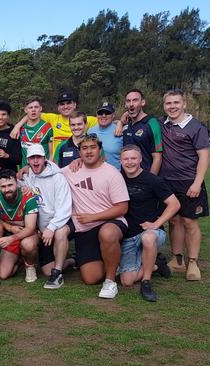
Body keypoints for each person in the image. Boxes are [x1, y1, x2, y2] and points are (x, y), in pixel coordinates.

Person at [61, 135, 129, 299]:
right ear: (79, 152)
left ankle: (110, 282)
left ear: (99, 150)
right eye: (84, 148)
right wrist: (25, 169)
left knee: (107, 234)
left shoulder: (111, 173)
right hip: (84, 229)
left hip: (110, 222)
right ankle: (116, 260)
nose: (89, 151)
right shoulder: (70, 170)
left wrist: (94, 217)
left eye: (92, 147)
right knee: (91, 278)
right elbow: (45, 170)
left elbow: (122, 208)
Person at [159, 89, 209, 280]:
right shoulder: (162, 124)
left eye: (176, 103)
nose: (172, 107)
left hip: (189, 181)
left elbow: (204, 156)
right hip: (167, 182)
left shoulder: (196, 127)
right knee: (174, 220)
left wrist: (197, 183)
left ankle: (193, 262)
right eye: (168, 103)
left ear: (184, 104)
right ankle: (177, 259)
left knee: (189, 221)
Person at [119, 145, 179, 301]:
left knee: (148, 238)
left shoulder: (153, 180)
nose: (130, 162)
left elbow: (174, 204)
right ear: (120, 161)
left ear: (140, 159)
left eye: (133, 158)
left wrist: (156, 224)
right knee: (126, 281)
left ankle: (146, 282)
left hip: (151, 231)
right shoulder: (117, 178)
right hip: (129, 235)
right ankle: (156, 265)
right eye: (126, 159)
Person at [22, 144, 73, 289]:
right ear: (28, 161)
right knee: (45, 270)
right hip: (42, 229)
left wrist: (51, 227)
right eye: (32, 158)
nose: (36, 161)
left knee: (60, 232)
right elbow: (14, 186)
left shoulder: (58, 178)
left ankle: (57, 274)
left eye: (38, 157)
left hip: (59, 223)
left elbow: (64, 208)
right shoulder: (28, 176)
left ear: (45, 159)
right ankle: (70, 261)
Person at [11, 92, 97, 159]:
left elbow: (105, 121)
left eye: (68, 103)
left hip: (79, 158)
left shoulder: (86, 119)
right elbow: (32, 114)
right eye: (62, 104)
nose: (65, 106)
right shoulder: (53, 118)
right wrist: (17, 126)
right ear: (58, 107)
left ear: (75, 105)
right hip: (58, 160)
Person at [0, 169, 40, 283]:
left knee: (27, 245)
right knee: (3, 274)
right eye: (3, 186)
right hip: (10, 236)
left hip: (29, 235)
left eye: (10, 185)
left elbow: (30, 228)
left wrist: (11, 238)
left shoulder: (28, 198)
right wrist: (9, 228)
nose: (7, 189)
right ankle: (21, 258)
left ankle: (30, 266)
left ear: (17, 183)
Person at [121, 89, 163, 175]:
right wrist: (120, 123)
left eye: (135, 100)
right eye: (128, 101)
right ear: (125, 104)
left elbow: (157, 157)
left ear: (142, 102)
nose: (131, 104)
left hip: (145, 178)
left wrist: (150, 181)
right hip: (126, 178)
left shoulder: (152, 123)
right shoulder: (126, 125)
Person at [0, 101, 22, 177]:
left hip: (9, 176)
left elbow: (19, 159)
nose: (0, 117)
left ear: (8, 116)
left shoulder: (15, 132)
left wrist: (6, 155)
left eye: (4, 114)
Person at [87, 102, 123, 170]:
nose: (103, 115)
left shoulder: (120, 131)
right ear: (96, 115)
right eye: (100, 113)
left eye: (107, 113)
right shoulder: (90, 131)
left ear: (113, 115)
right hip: (95, 174)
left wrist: (120, 122)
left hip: (115, 175)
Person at [19, 97, 53, 166]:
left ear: (40, 109)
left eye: (36, 107)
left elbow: (51, 153)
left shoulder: (47, 127)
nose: (33, 110)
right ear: (26, 110)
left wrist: (48, 167)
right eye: (30, 108)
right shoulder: (20, 128)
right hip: (24, 171)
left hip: (42, 169)